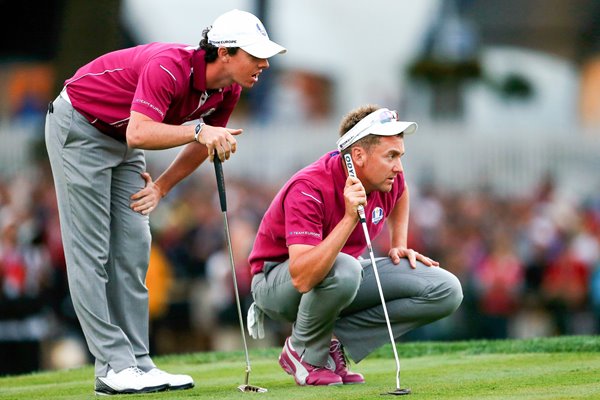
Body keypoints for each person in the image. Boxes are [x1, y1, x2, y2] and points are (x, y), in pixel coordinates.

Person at [44, 9, 285, 395]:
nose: (265, 63)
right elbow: (144, 132)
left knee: (135, 246)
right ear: (224, 53)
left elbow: (197, 141)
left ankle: (138, 363)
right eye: (255, 54)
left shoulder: (229, 90)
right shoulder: (169, 67)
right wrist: (199, 130)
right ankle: (112, 366)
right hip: (81, 127)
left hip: (122, 139)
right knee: (91, 251)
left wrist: (161, 187)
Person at [247, 105, 463, 386]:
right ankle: (302, 352)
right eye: (391, 156)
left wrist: (399, 243)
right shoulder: (309, 188)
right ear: (358, 155)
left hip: (340, 278)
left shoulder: (390, 179)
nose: (398, 167)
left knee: (446, 290)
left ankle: (330, 341)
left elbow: (402, 193)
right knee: (347, 268)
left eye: (400, 156)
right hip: (276, 284)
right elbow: (301, 277)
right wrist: (350, 218)